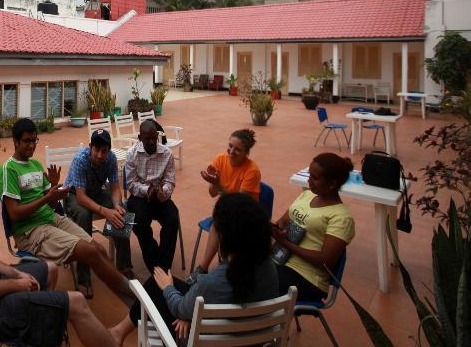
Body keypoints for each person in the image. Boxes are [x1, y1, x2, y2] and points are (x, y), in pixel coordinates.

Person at [0, 145, 116, 347]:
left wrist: (15, 274)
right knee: (76, 302)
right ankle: (40, 320)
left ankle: (40, 324)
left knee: (49, 269)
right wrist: (16, 285)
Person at [109, 193, 280, 345]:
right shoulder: (269, 269)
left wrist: (169, 288)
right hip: (249, 339)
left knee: (157, 285)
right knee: (165, 287)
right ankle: (118, 332)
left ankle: (118, 332)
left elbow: (179, 307)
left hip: (202, 339)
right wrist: (191, 313)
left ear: (225, 236)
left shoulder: (212, 283)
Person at [0, 118, 133, 301]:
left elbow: (51, 205)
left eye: (34, 141)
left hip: (52, 219)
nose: (31, 145)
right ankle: (132, 298)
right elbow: (14, 214)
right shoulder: (9, 170)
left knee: (98, 249)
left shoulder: (36, 165)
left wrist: (53, 189)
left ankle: (126, 275)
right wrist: (48, 197)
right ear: (15, 141)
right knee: (91, 248)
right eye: (27, 141)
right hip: (32, 231)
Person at [271, 152, 355, 301]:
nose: (309, 181)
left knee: (254, 281)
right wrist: (275, 227)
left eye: (315, 178)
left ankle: (256, 321)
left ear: (332, 184)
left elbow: (325, 261)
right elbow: (283, 221)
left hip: (308, 278)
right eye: (310, 175)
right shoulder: (307, 195)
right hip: (281, 260)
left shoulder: (341, 217)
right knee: (239, 264)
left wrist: (285, 243)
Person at [64, 128, 133, 298]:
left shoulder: (111, 158)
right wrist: (106, 212)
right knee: (84, 215)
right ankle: (83, 277)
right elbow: (81, 197)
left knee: (122, 209)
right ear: (90, 147)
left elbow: (115, 188)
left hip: (95, 191)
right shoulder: (81, 159)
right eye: (97, 149)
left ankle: (124, 266)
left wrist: (116, 205)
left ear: (108, 150)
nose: (100, 155)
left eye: (104, 150)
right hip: (74, 194)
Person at [194, 128, 262, 273]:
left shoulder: (252, 170)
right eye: (230, 146)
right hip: (227, 211)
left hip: (246, 214)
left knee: (220, 223)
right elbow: (212, 194)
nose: (231, 151)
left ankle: (207, 268)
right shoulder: (220, 159)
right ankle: (204, 268)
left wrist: (218, 184)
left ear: (246, 153)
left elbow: (239, 204)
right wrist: (212, 182)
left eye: (238, 149)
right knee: (219, 221)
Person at [125, 119, 179, 271]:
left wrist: (164, 192)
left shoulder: (166, 153)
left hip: (160, 197)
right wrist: (146, 191)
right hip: (140, 197)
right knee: (139, 222)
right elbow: (131, 184)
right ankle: (155, 264)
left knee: (172, 218)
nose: (151, 141)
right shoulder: (132, 154)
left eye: (154, 138)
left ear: (157, 136)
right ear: (139, 138)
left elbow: (170, 181)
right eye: (147, 138)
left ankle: (163, 266)